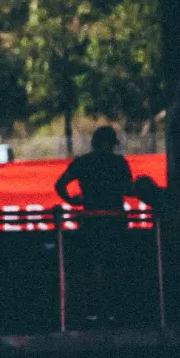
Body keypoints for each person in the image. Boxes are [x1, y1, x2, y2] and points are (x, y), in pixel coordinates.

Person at [55, 125, 134, 321]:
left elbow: (60, 184)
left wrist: (74, 200)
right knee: (115, 264)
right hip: (115, 218)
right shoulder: (118, 163)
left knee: (94, 264)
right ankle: (115, 308)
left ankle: (95, 308)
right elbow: (129, 189)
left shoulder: (83, 162)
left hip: (91, 219)